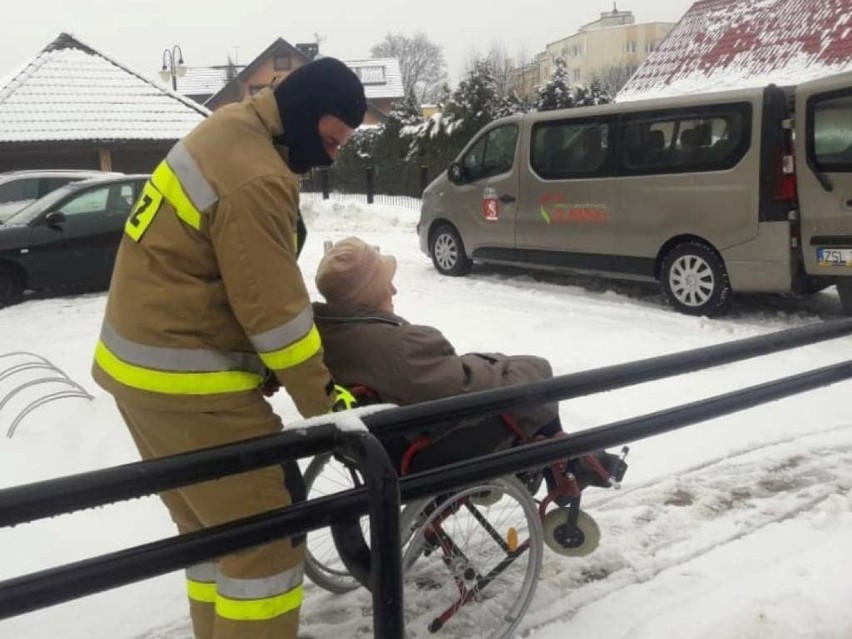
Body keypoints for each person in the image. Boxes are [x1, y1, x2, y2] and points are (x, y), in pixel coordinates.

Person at [91, 58, 366, 639]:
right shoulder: (256, 177)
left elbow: (220, 277)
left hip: (144, 376)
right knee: (267, 542)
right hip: (191, 387)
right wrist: (329, 407)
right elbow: (278, 321)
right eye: (328, 140)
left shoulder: (231, 129)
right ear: (303, 112)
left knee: (214, 539)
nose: (332, 157)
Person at [311, 236, 624, 485]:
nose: (393, 288)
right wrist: (500, 364)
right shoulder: (399, 345)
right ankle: (563, 469)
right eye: (384, 284)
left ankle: (563, 463)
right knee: (536, 374)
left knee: (517, 376)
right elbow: (464, 390)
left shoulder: (327, 337)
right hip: (424, 450)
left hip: (382, 439)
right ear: (366, 294)